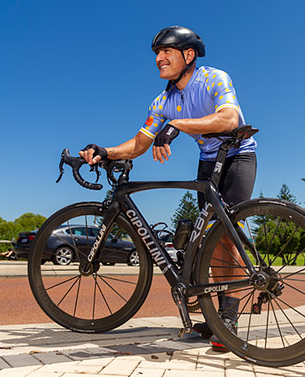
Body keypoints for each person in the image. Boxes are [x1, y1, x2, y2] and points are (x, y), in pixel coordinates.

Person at [79, 26, 257, 352]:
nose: (159, 58)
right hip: (208, 162)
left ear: (188, 55)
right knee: (207, 241)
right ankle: (215, 316)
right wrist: (105, 151)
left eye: (166, 51)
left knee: (224, 234)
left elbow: (229, 119)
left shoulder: (214, 78)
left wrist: (176, 125)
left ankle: (228, 319)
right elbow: (139, 143)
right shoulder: (163, 101)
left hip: (237, 157)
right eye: (156, 53)